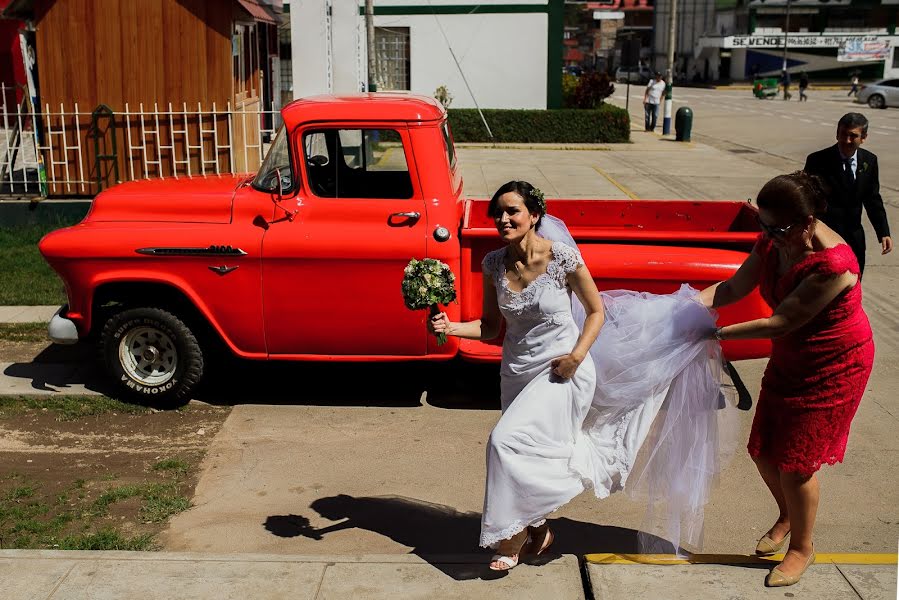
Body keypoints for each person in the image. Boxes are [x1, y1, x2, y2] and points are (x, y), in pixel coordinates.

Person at [430, 181, 731, 571]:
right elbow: (490, 327)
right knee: (533, 452)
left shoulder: (563, 259)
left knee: (504, 443)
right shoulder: (493, 264)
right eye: (497, 213)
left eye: (512, 211)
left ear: (534, 215)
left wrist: (576, 356)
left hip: (563, 370)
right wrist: (450, 327)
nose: (502, 219)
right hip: (517, 372)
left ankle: (511, 538)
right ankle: (539, 529)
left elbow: (596, 312)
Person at [699, 171, 875, 588]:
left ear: (807, 221)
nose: (767, 234)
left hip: (834, 364)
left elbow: (781, 322)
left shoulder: (834, 264)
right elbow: (730, 289)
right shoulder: (775, 237)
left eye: (776, 227)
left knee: (796, 466)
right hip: (792, 357)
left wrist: (715, 333)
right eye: (763, 223)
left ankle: (802, 546)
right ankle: (788, 514)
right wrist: (684, 306)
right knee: (764, 452)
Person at [803, 113, 892, 276]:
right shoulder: (818, 160)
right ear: (837, 134)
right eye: (843, 134)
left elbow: (873, 199)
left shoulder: (869, 161)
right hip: (825, 235)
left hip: (854, 235)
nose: (847, 140)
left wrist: (883, 232)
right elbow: (807, 198)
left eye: (853, 136)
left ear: (864, 137)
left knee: (854, 280)